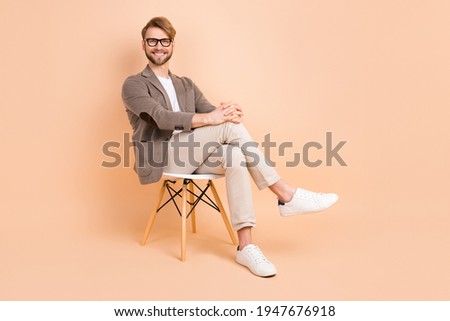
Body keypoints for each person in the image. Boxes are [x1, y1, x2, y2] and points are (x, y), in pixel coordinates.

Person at [122, 16, 338, 277]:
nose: (159, 46)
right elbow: (161, 118)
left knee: (235, 153)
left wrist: (228, 112)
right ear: (143, 44)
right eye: (152, 41)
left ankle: (246, 247)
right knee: (228, 130)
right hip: (163, 156)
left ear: (173, 44)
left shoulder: (185, 84)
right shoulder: (134, 84)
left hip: (194, 154)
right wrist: (217, 120)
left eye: (164, 40)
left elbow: (211, 113)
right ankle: (285, 194)